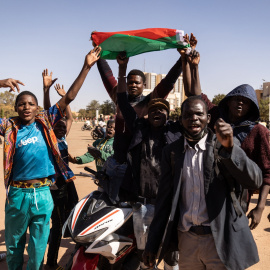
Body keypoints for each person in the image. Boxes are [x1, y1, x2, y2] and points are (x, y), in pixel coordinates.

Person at [1, 46, 101, 270]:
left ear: (37, 108)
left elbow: (70, 96)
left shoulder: (45, 122)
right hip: (17, 194)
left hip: (43, 193)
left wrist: (86, 66)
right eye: (21, 104)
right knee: (14, 245)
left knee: (37, 249)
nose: (26, 107)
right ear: (16, 107)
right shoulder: (9, 126)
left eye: (31, 104)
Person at [143, 96, 262, 270]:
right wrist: (152, 244)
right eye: (188, 115)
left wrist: (230, 149)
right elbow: (164, 202)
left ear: (208, 118)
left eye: (199, 114)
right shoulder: (172, 152)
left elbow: (255, 180)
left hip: (219, 240)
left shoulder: (223, 144)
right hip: (187, 241)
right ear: (181, 119)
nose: (194, 119)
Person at [181, 36, 270, 230]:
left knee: (230, 240)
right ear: (227, 101)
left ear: (251, 107)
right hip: (207, 188)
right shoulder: (215, 117)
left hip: (238, 195)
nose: (240, 103)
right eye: (236, 99)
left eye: (245, 101)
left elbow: (267, 172)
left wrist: (261, 207)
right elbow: (194, 94)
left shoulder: (258, 131)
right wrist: (191, 62)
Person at [116, 53, 181, 270]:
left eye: (162, 109)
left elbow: (182, 87)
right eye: (153, 109)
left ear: (168, 115)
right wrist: (122, 69)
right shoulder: (139, 128)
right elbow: (123, 103)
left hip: (169, 205)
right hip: (142, 204)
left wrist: (185, 62)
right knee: (145, 253)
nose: (157, 112)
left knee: (172, 253)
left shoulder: (175, 134)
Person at [95, 45, 183, 201]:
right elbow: (106, 75)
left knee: (128, 208)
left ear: (144, 85)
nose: (133, 85)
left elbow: (169, 81)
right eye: (130, 82)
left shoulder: (150, 102)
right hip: (114, 163)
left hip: (135, 168)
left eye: (137, 83)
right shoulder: (119, 98)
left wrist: (182, 59)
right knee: (108, 204)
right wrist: (98, 53)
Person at [43, 81, 79, 270]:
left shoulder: (64, 137)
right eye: (58, 127)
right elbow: (50, 115)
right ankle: (50, 263)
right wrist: (47, 90)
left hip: (66, 183)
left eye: (63, 127)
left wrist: (66, 97)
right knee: (56, 224)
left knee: (75, 214)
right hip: (53, 185)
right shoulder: (51, 139)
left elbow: (70, 118)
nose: (62, 129)